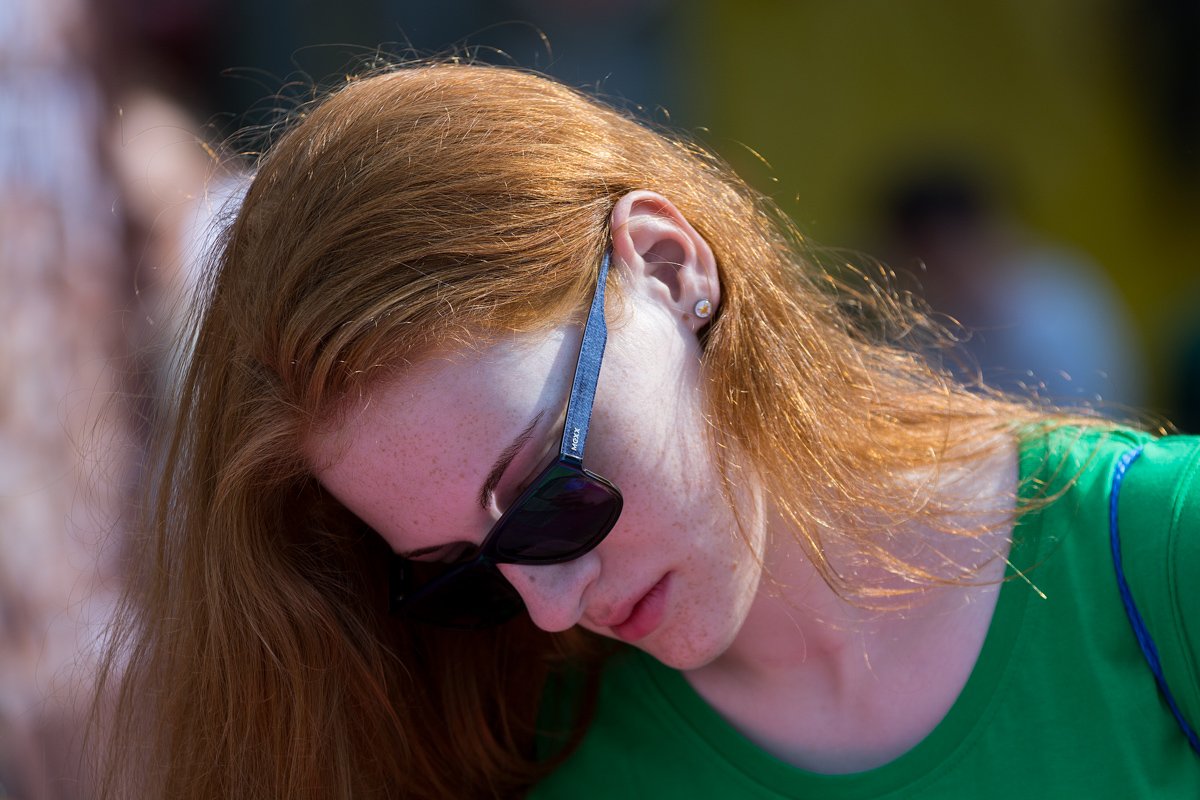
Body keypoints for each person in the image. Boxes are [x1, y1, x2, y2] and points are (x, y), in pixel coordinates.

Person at [92, 63, 1200, 799]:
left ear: (670, 268)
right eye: (459, 574)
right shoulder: (518, 748)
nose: (551, 603)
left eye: (549, 491)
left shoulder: (1157, 558)